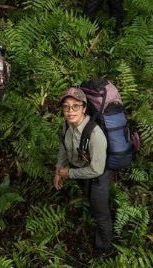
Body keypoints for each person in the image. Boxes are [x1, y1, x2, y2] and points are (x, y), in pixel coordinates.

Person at [54, 88, 113, 254]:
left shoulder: (95, 134)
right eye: (66, 107)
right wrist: (58, 170)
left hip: (97, 178)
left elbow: (97, 169)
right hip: (81, 173)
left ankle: (104, 251)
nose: (70, 111)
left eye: (75, 106)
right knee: (91, 203)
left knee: (102, 216)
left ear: (84, 108)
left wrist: (69, 174)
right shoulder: (67, 124)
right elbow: (64, 147)